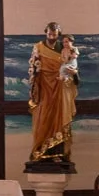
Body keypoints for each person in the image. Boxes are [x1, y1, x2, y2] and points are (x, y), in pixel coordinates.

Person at [28, 21, 79, 164]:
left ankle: (58, 153)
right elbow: (33, 70)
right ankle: (40, 151)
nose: (51, 37)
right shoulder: (38, 48)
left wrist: (74, 74)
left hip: (60, 89)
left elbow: (72, 68)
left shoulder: (65, 49)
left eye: (54, 34)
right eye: (49, 34)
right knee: (43, 117)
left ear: (59, 35)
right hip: (44, 89)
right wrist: (34, 85)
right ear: (46, 33)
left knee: (60, 117)